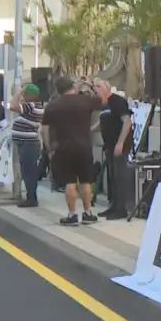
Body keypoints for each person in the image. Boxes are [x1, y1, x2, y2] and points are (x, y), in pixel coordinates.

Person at [41, 76, 101, 225]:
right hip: (84, 146)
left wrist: (49, 148)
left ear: (58, 90)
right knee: (86, 181)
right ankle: (88, 213)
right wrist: (90, 85)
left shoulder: (53, 105)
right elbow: (103, 100)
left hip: (64, 147)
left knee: (70, 181)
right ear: (73, 87)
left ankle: (72, 214)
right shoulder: (85, 101)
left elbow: (45, 129)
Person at [92, 79, 132, 220]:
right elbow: (102, 121)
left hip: (119, 145)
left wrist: (120, 143)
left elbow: (127, 122)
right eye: (94, 86)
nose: (95, 89)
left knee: (120, 176)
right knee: (112, 177)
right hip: (108, 145)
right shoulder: (104, 105)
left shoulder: (117, 101)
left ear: (106, 88)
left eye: (99, 86)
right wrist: (89, 130)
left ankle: (121, 209)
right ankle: (113, 206)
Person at [9, 83, 45, 207]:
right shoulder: (35, 105)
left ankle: (32, 198)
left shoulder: (31, 105)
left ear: (30, 95)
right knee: (28, 171)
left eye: (25, 94)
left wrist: (18, 93)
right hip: (27, 143)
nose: (23, 96)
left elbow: (13, 106)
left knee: (28, 172)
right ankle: (31, 196)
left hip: (28, 143)